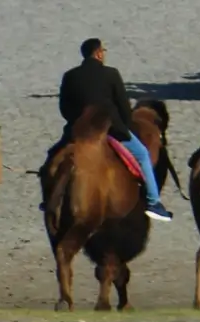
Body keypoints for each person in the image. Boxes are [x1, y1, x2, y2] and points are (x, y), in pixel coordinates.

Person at [58, 39, 170, 222]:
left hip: (78, 130)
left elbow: (64, 107)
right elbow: (124, 106)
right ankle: (154, 202)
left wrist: (76, 122)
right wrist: (126, 127)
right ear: (99, 53)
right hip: (110, 129)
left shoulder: (70, 76)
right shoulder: (111, 74)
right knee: (142, 155)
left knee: (53, 157)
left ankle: (49, 197)